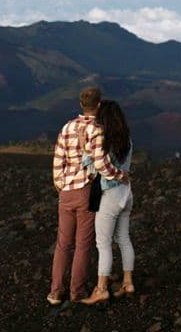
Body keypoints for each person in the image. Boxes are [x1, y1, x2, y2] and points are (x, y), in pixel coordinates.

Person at [48, 86, 129, 305]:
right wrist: (119, 175)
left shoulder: (67, 127)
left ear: (81, 105)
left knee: (63, 244)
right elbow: (101, 163)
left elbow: (58, 159)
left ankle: (55, 292)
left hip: (66, 191)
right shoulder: (98, 130)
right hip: (86, 191)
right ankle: (77, 291)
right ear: (99, 105)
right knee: (83, 244)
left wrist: (60, 185)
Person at [80, 99, 136, 304]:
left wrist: (86, 150)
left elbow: (95, 167)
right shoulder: (127, 140)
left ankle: (101, 288)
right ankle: (128, 282)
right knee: (123, 238)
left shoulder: (105, 142)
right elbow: (125, 168)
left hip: (109, 196)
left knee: (103, 243)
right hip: (126, 194)